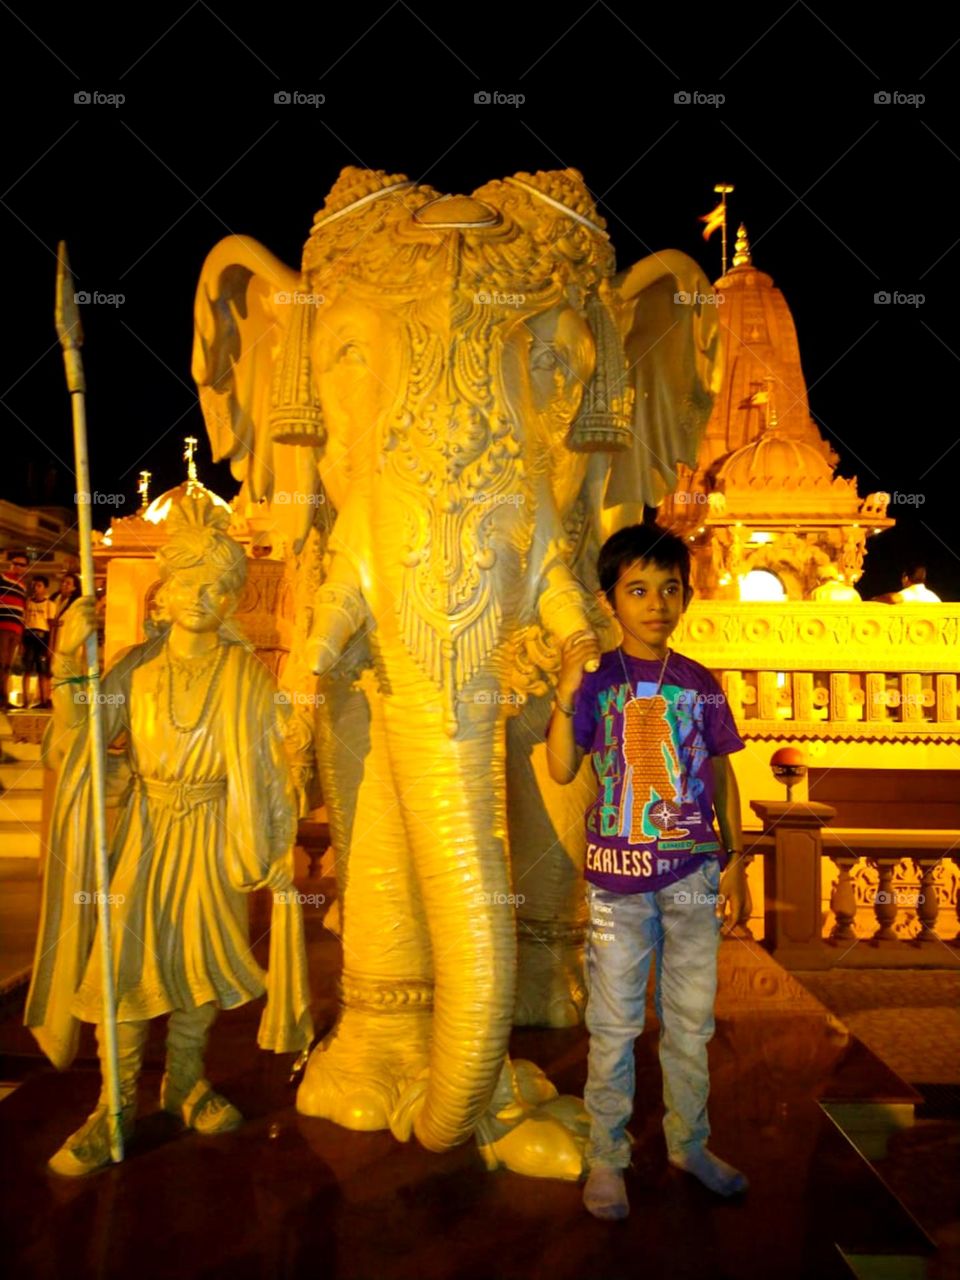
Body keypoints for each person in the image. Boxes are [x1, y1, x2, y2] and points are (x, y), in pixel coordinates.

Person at [25, 493, 313, 1176]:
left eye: (219, 586)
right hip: (146, 834)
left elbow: (270, 766)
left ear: (233, 598)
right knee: (123, 968)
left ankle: (185, 1081)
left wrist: (276, 831)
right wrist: (71, 660)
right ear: (165, 590)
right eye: (189, 581)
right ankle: (113, 1105)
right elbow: (82, 731)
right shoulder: (134, 668)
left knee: (198, 968)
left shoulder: (245, 674)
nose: (203, 596)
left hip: (215, 834)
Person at [545, 523, 748, 1220]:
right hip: (618, 877)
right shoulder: (600, 681)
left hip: (691, 871)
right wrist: (569, 692)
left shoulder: (699, 682)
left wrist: (735, 858)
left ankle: (689, 1144)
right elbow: (562, 766)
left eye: (669, 589)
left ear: (686, 597)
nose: (655, 603)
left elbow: (722, 774)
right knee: (614, 1023)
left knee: (690, 1022)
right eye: (638, 590)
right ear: (612, 601)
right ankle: (608, 1155)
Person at [21, 574, 56, 708]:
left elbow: (51, 626)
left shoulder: (49, 605)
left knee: (43, 670)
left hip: (42, 637)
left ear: (45, 588)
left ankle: (44, 699)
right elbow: (23, 622)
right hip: (29, 636)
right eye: (34, 585)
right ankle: (25, 700)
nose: (35, 588)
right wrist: (21, 643)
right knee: (27, 669)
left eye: (39, 585)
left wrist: (50, 645)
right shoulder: (27, 603)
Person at [0, 551, 29, 710]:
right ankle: (1, 697)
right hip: (3, 626)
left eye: (21, 564)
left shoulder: (23, 585)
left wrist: (22, 635)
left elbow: (22, 610)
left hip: (16, 630)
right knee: (1, 662)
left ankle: (3, 697)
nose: (17, 567)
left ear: (26, 568)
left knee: (8, 665)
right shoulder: (3, 578)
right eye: (14, 563)